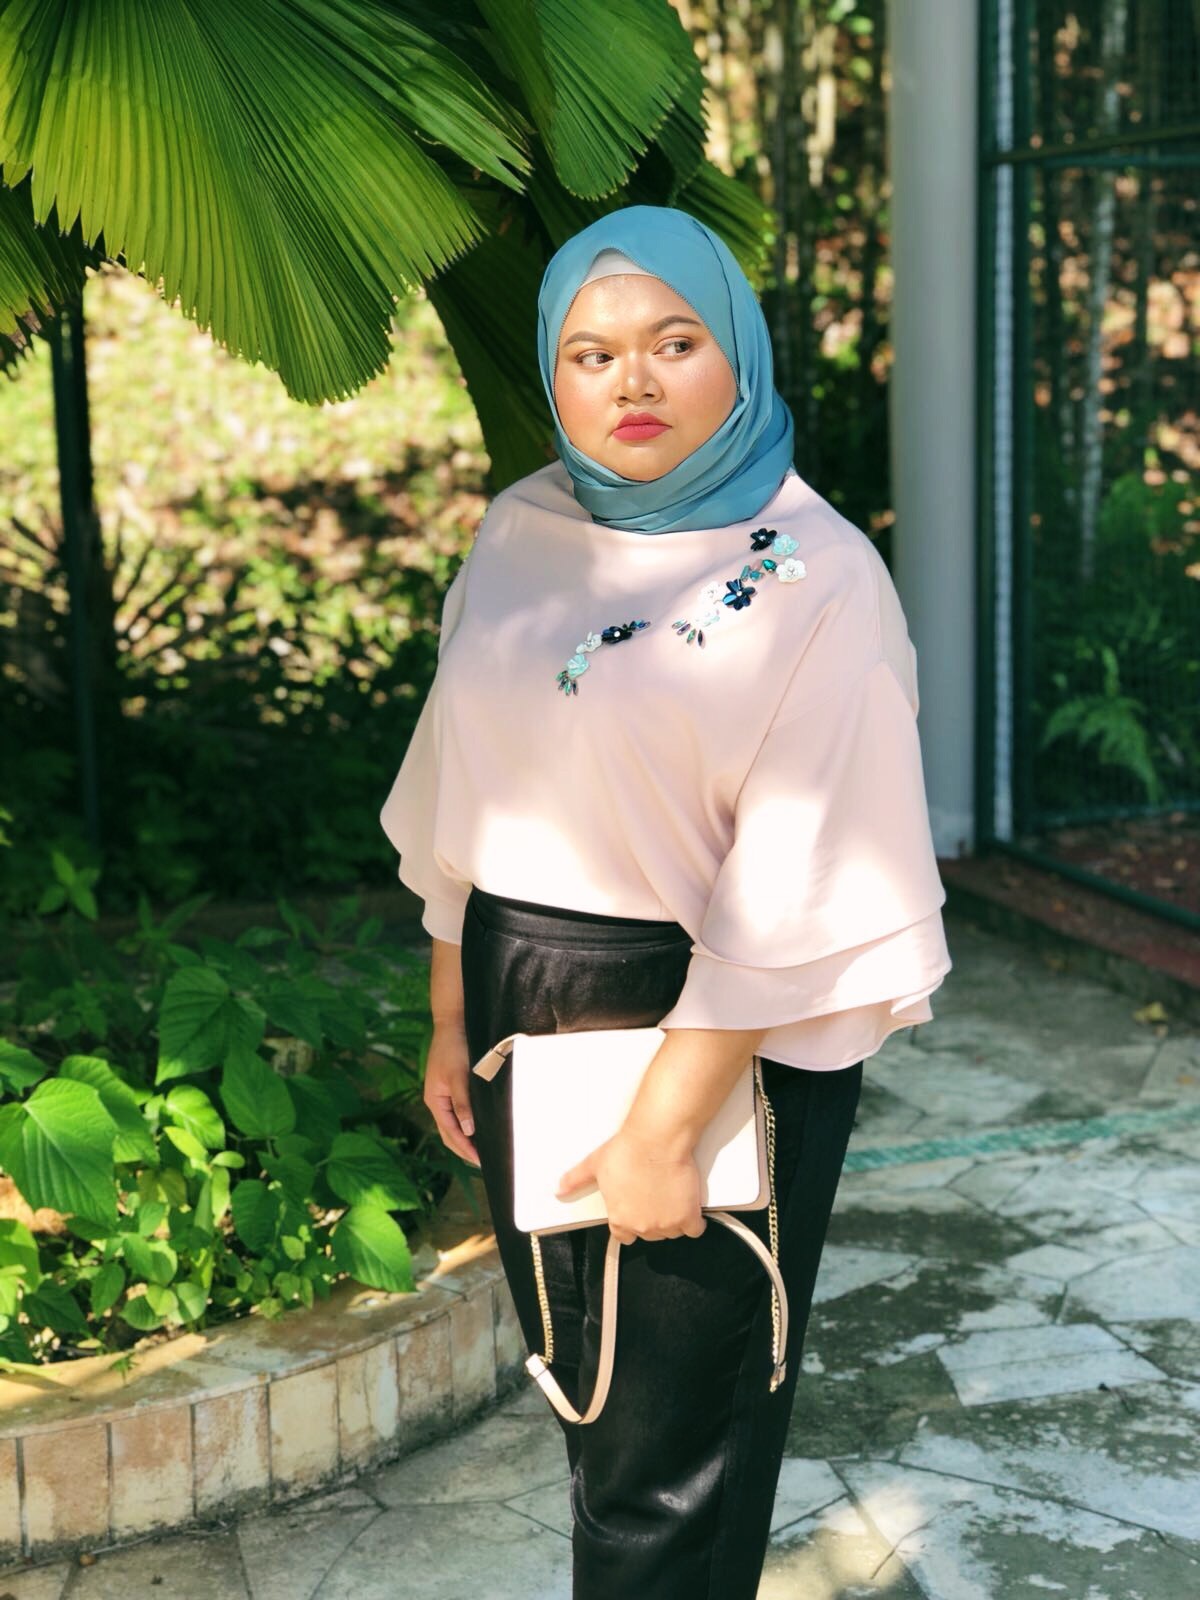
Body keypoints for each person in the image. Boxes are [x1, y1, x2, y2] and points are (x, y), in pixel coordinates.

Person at [379, 203, 952, 1600]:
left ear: (737, 354)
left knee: (674, 1460)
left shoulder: (820, 578)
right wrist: (453, 1004)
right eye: (591, 354)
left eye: (674, 342)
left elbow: (796, 882)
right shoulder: (522, 530)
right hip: (521, 993)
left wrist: (664, 1128)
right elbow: (462, 774)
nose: (630, 381)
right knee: (595, 1407)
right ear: (554, 373)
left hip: (704, 1028)